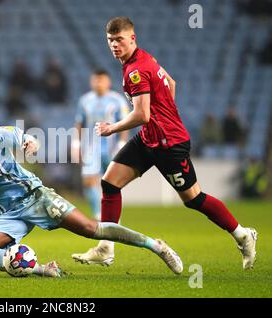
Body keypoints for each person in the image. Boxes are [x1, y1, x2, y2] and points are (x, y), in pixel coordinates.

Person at [0, 119, 184, 277]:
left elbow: (22, 135)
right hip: (10, 216)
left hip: (36, 197)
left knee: (93, 229)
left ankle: (155, 245)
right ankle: (41, 268)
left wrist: (30, 142)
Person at [71, 17, 258, 270]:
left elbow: (142, 115)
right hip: (150, 138)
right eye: (110, 41)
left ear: (132, 38)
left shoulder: (135, 71)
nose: (115, 45)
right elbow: (171, 83)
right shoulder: (145, 58)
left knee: (193, 199)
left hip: (169, 144)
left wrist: (111, 128)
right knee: (110, 183)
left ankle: (243, 235)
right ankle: (105, 248)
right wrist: (165, 112)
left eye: (119, 40)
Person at [73, 69, 129, 265]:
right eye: (95, 79)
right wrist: (76, 144)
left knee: (112, 185)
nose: (98, 83)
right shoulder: (84, 100)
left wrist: (122, 144)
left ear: (108, 82)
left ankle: (112, 220)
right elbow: (79, 123)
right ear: (91, 81)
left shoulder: (117, 100)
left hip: (112, 147)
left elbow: (125, 122)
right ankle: (100, 216)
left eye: (101, 80)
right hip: (91, 147)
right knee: (89, 182)